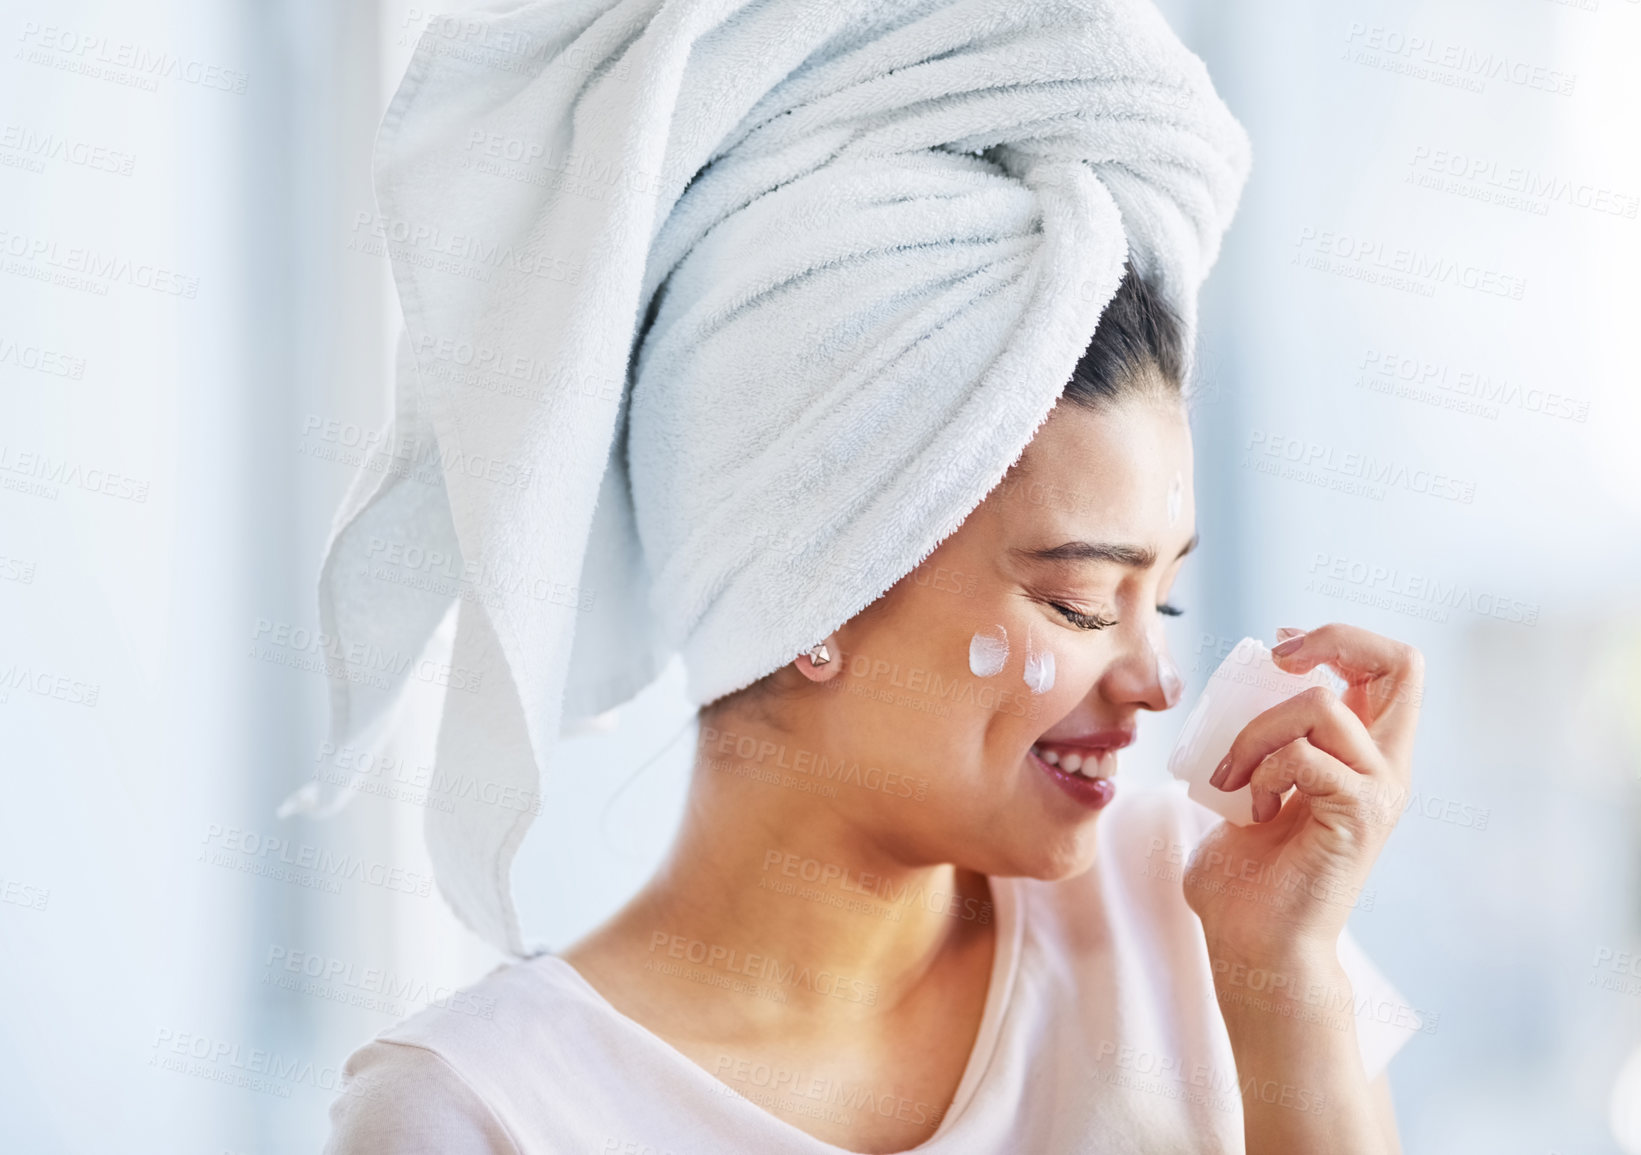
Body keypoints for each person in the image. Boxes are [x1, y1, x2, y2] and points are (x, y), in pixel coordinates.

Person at [315, 1, 1422, 1151]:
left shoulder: (1208, 930)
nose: (1156, 679)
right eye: (1081, 603)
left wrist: (1284, 985)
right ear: (819, 590)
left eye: (1166, 597)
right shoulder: (484, 1112)